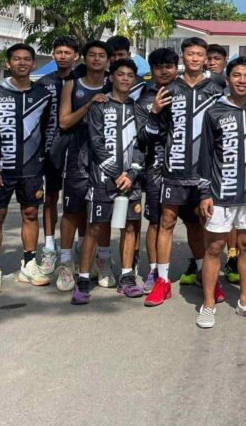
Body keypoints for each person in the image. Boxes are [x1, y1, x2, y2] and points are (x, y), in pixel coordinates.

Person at [146, 37, 224, 308]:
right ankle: (162, 280)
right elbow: (154, 133)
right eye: (190, 54)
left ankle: (206, 275)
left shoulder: (216, 89)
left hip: (204, 171)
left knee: (201, 224)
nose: (195, 58)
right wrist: (155, 111)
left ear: (206, 59)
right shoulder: (169, 89)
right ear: (183, 57)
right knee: (166, 222)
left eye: (200, 54)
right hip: (174, 169)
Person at [196, 56, 246, 328]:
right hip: (220, 191)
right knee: (214, 247)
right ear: (227, 79)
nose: (242, 80)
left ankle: (244, 303)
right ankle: (208, 305)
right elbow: (205, 155)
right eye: (237, 75)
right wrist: (204, 193)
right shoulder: (214, 111)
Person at [0, 43, 53, 293]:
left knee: (31, 214)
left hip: (32, 168)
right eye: (17, 59)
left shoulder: (42, 94)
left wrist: (44, 159)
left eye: (27, 59)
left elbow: (47, 129)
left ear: (33, 63)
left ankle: (29, 264)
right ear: (8, 63)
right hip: (1, 168)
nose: (22, 63)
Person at [72, 59, 145, 305]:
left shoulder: (138, 108)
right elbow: (96, 143)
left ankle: (126, 278)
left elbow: (141, 145)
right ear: (111, 77)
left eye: (130, 75)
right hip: (103, 179)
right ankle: (83, 280)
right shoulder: (99, 105)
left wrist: (131, 174)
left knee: (130, 228)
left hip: (130, 181)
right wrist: (115, 173)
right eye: (120, 74)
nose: (125, 79)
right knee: (94, 228)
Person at [54, 40, 112, 292]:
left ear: (108, 60)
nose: (97, 59)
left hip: (105, 154)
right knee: (72, 210)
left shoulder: (114, 83)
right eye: (92, 55)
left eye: (101, 55)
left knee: (103, 211)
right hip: (77, 153)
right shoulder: (72, 84)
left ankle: (103, 260)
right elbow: (64, 122)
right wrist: (89, 106)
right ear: (84, 59)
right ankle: (66, 263)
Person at [135, 47, 178, 294]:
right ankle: (154, 271)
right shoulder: (144, 99)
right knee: (156, 221)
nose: (164, 71)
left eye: (169, 66)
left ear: (176, 68)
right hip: (156, 167)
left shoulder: (186, 93)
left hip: (187, 168)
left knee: (195, 221)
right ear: (151, 70)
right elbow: (142, 138)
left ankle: (200, 267)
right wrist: (155, 112)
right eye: (159, 67)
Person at [37, 35, 80, 277]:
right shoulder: (44, 83)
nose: (63, 56)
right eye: (59, 52)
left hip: (77, 150)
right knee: (50, 198)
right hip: (49, 149)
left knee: (77, 200)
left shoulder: (82, 80)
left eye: (67, 52)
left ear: (76, 56)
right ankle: (49, 246)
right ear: (53, 54)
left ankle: (77, 245)